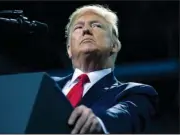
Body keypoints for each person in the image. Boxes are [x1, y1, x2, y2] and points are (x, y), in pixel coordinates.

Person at [53, 4, 158, 134]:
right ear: (69, 49)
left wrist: (99, 122)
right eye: (78, 27)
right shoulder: (46, 84)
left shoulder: (136, 93)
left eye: (96, 25)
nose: (86, 30)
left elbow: (123, 116)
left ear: (114, 45)